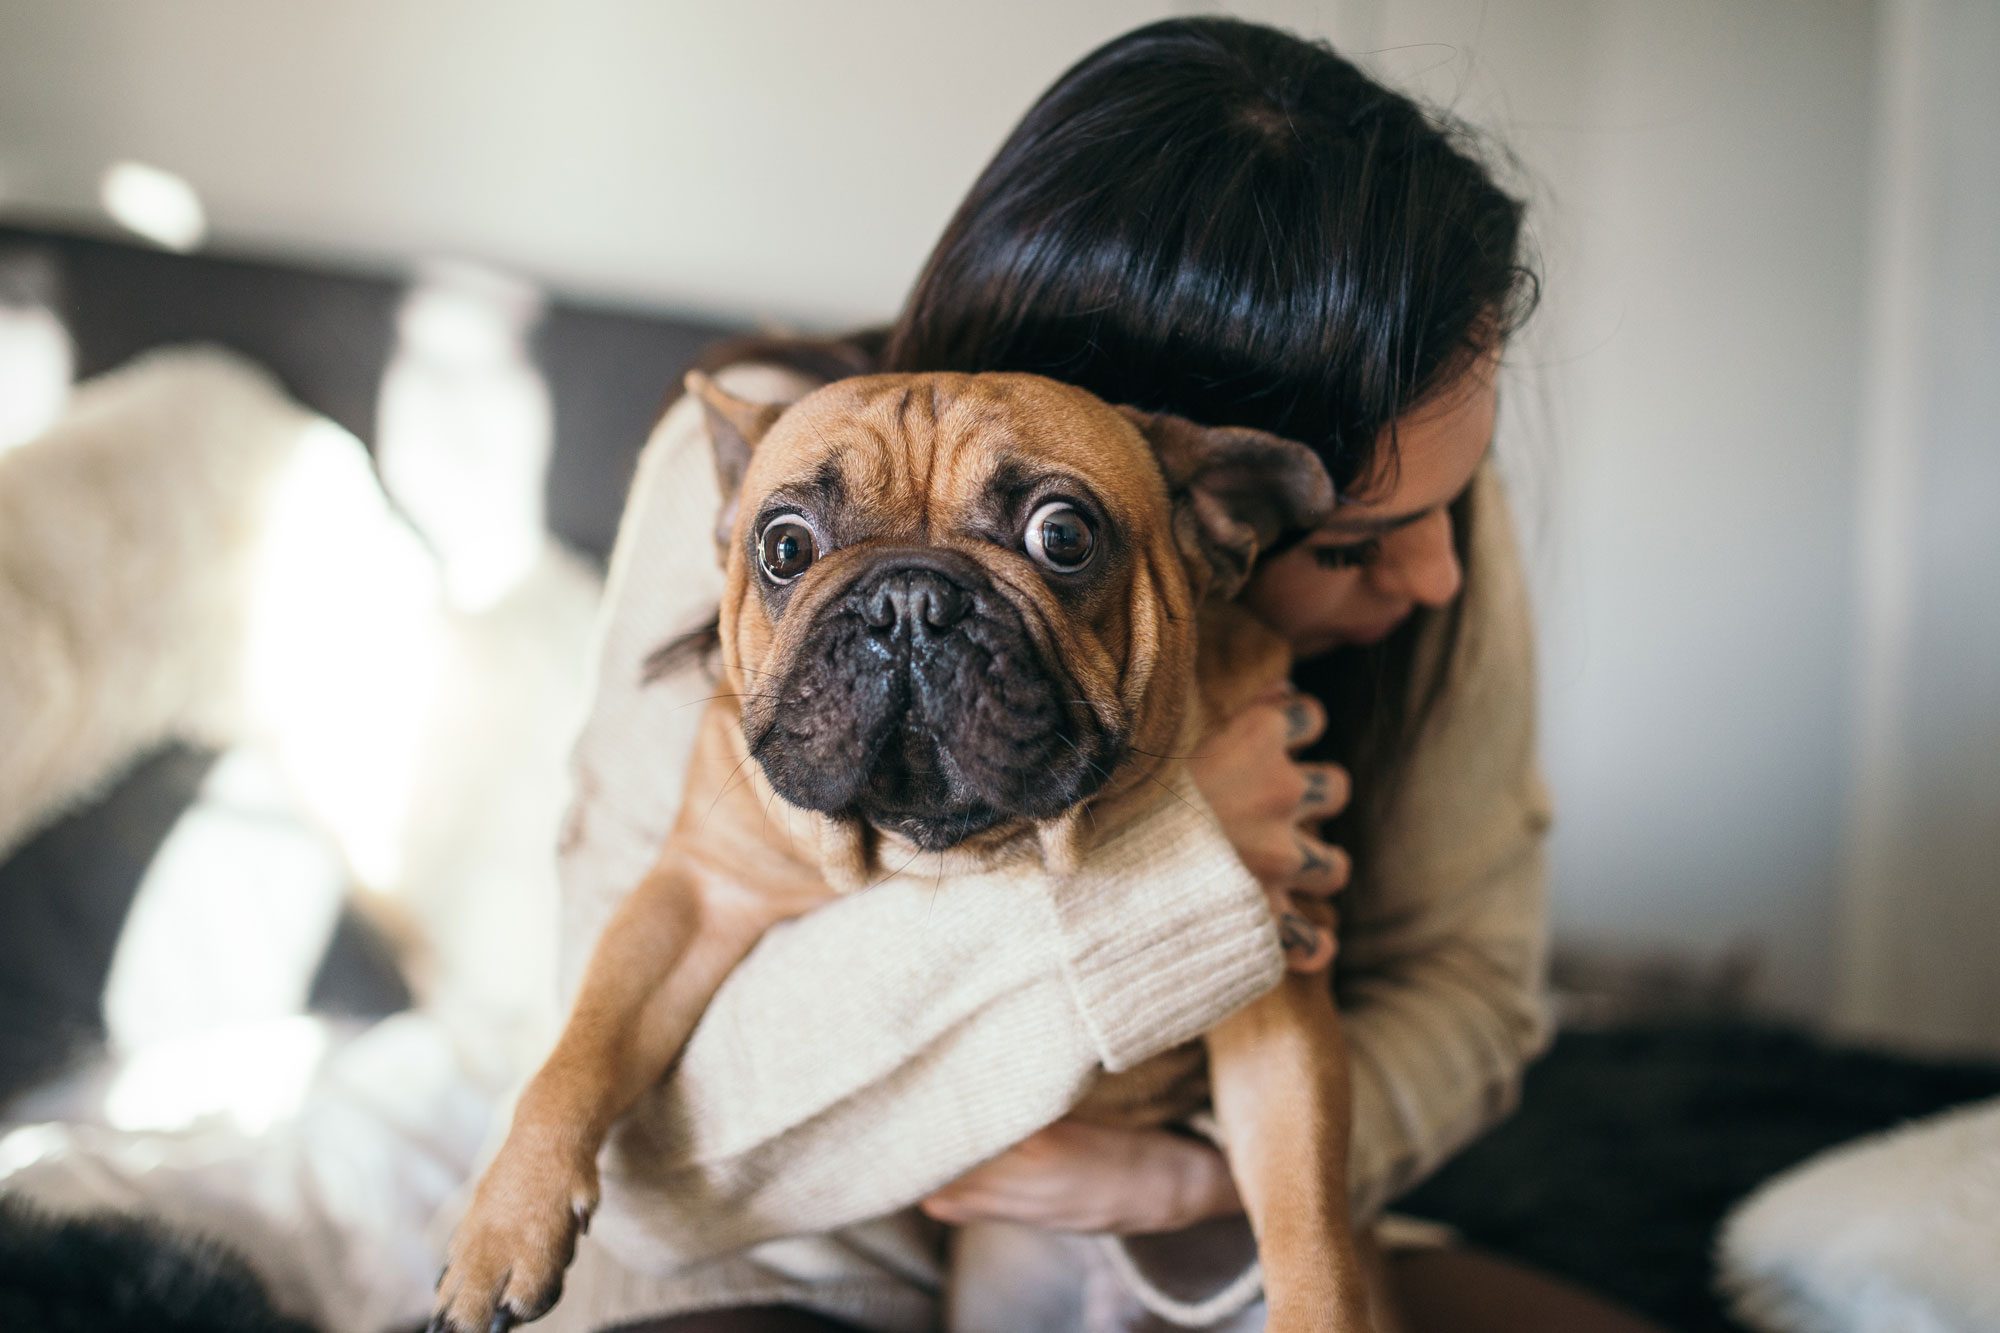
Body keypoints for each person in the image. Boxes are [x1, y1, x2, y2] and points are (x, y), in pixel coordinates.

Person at [536, 16, 1666, 1333]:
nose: (1439, 579)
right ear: (1196, 495)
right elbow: (646, 1170)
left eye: (1456, 509)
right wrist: (1164, 866)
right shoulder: (763, 455)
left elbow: (1473, 987)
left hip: (1222, 1216)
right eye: (1351, 543)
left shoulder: (1417, 479)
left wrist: (1187, 1183)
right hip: (781, 1264)